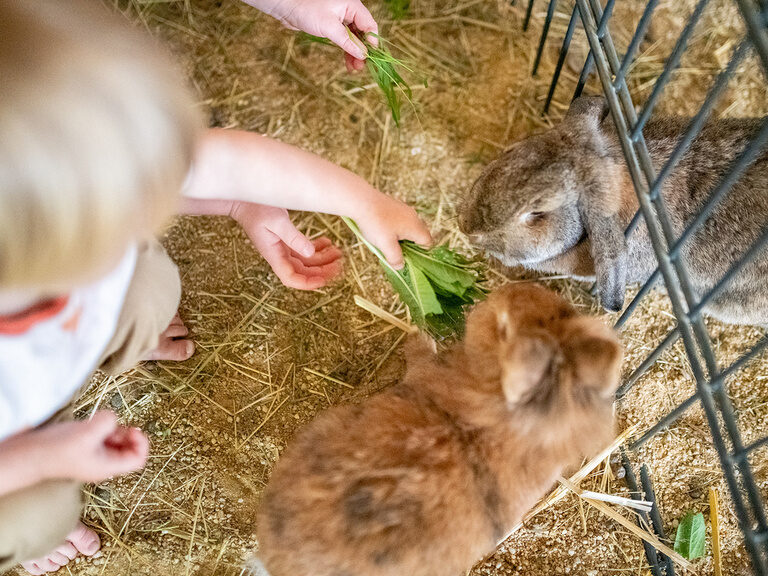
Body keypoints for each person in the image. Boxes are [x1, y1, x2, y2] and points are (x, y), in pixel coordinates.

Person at [0, 1, 430, 574]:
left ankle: (102, 339)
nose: (148, 209)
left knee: (149, 287)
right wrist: (40, 456)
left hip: (53, 321)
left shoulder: (52, 158)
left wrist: (352, 201)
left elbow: (209, 161)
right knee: (36, 513)